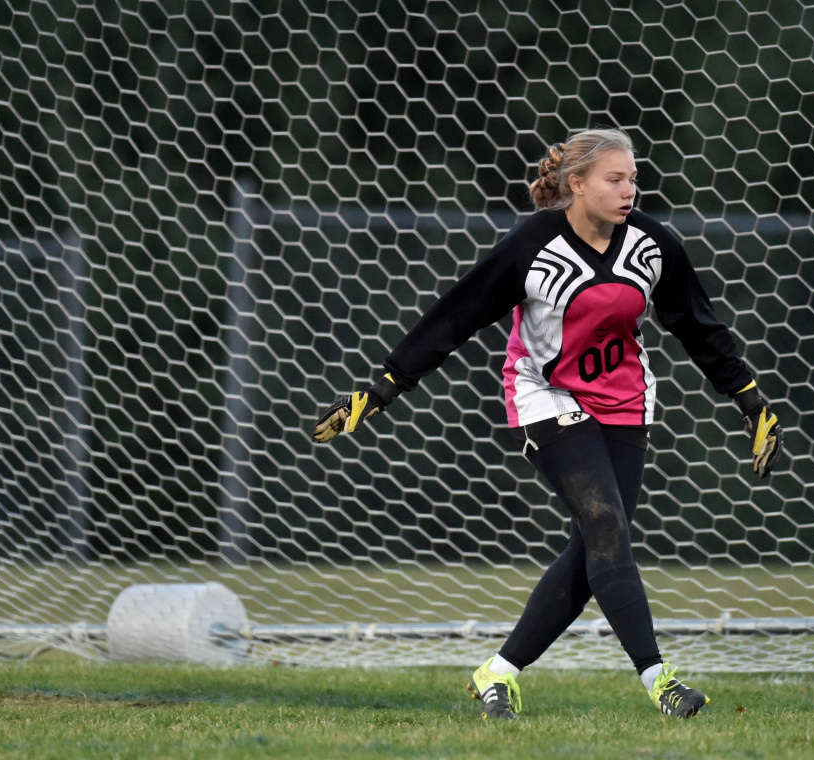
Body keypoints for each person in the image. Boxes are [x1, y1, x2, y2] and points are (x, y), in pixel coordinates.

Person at [312, 127, 783, 720]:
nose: (629, 189)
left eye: (633, 178)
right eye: (615, 178)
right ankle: (662, 683)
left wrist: (750, 401)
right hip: (544, 396)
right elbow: (456, 315)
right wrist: (381, 389)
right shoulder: (533, 244)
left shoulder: (652, 245)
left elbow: (698, 326)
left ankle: (498, 673)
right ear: (576, 184)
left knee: (595, 550)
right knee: (607, 528)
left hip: (626, 403)